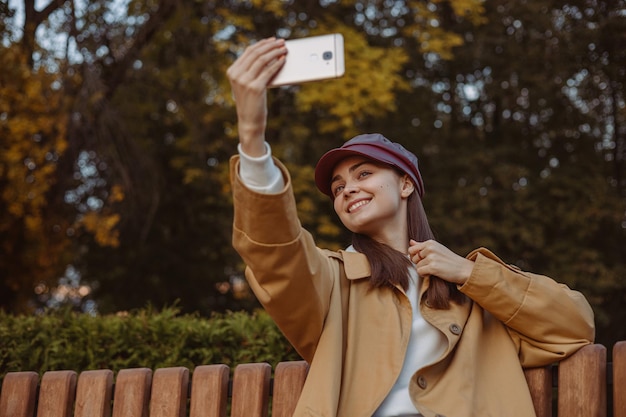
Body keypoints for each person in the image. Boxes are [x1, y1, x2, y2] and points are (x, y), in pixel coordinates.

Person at [226, 37, 595, 417]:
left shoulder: (474, 294)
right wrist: (252, 139)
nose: (347, 189)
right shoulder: (331, 282)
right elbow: (274, 256)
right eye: (337, 188)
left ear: (406, 184)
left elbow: (574, 326)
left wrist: (470, 273)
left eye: (364, 173)